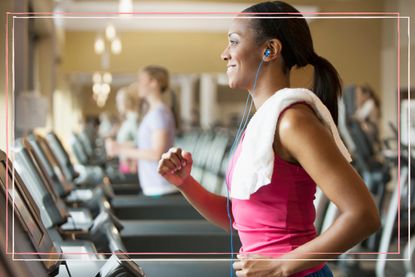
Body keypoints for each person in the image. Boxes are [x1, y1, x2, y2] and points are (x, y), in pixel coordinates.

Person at [157, 2, 380, 277]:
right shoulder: (262, 124)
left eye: (234, 42)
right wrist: (186, 184)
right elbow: (241, 219)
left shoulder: (292, 122)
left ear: (270, 50)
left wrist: (281, 264)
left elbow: (363, 215)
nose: (224, 54)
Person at [106, 65, 178, 196]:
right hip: (153, 186)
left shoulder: (159, 113)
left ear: (154, 83)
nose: (138, 84)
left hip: (160, 188)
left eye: (141, 80)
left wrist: (121, 150)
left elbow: (157, 153)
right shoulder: (153, 112)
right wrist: (121, 146)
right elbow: (145, 145)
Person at [115, 85, 140, 174]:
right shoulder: (128, 119)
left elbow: (140, 143)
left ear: (128, 101)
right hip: (125, 163)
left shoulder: (134, 119)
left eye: (120, 100)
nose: (117, 103)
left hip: (131, 167)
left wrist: (117, 146)